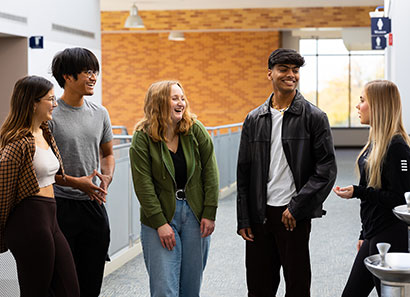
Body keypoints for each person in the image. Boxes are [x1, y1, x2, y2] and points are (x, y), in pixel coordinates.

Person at [236, 48, 337, 297]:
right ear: (270, 73)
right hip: (260, 215)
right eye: (284, 69)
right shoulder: (253, 119)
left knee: (297, 286)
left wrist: (298, 206)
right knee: (259, 287)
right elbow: (244, 172)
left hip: (292, 215)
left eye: (295, 70)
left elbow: (326, 169)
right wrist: (244, 218)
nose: (290, 75)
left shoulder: (314, 117)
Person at [129, 80, 219, 297]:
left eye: (182, 98)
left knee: (190, 287)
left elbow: (211, 172)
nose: (181, 103)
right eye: (174, 98)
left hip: (195, 214)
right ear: (159, 102)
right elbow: (144, 186)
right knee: (164, 289)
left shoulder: (195, 130)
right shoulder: (142, 137)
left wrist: (209, 212)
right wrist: (160, 223)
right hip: (159, 219)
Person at [0, 76, 80, 297]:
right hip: (29, 220)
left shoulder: (45, 132)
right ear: (33, 103)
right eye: (50, 99)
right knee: (36, 291)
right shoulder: (18, 142)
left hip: (50, 217)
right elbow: (3, 190)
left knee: (69, 289)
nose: (55, 104)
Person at [49, 47, 115, 297]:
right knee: (63, 283)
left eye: (95, 72)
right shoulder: (50, 113)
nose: (93, 77)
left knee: (91, 279)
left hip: (93, 205)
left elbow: (107, 154)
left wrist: (106, 178)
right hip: (59, 206)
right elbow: (39, 168)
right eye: (87, 72)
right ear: (67, 76)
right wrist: (76, 183)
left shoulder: (100, 113)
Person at [334, 80, 410, 297]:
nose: (358, 106)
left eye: (362, 100)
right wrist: (363, 233)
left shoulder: (397, 148)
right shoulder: (375, 143)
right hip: (373, 233)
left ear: (378, 106)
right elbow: (373, 188)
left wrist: (357, 192)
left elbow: (400, 200)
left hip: (390, 235)